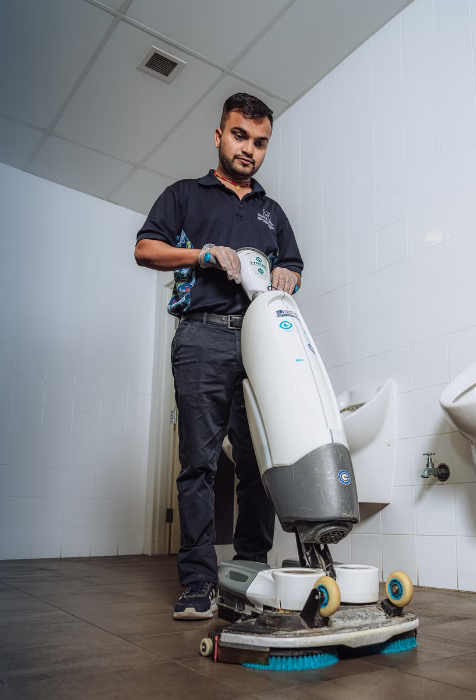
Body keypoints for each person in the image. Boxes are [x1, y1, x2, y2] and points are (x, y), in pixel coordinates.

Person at [132, 93, 303, 620]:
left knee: (259, 463)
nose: (248, 149)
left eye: (259, 142)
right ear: (218, 136)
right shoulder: (185, 195)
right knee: (199, 464)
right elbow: (145, 249)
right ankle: (199, 582)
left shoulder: (272, 213)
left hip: (259, 343)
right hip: (202, 337)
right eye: (239, 136)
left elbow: (294, 265)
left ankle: (250, 571)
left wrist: (287, 276)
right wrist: (200, 253)